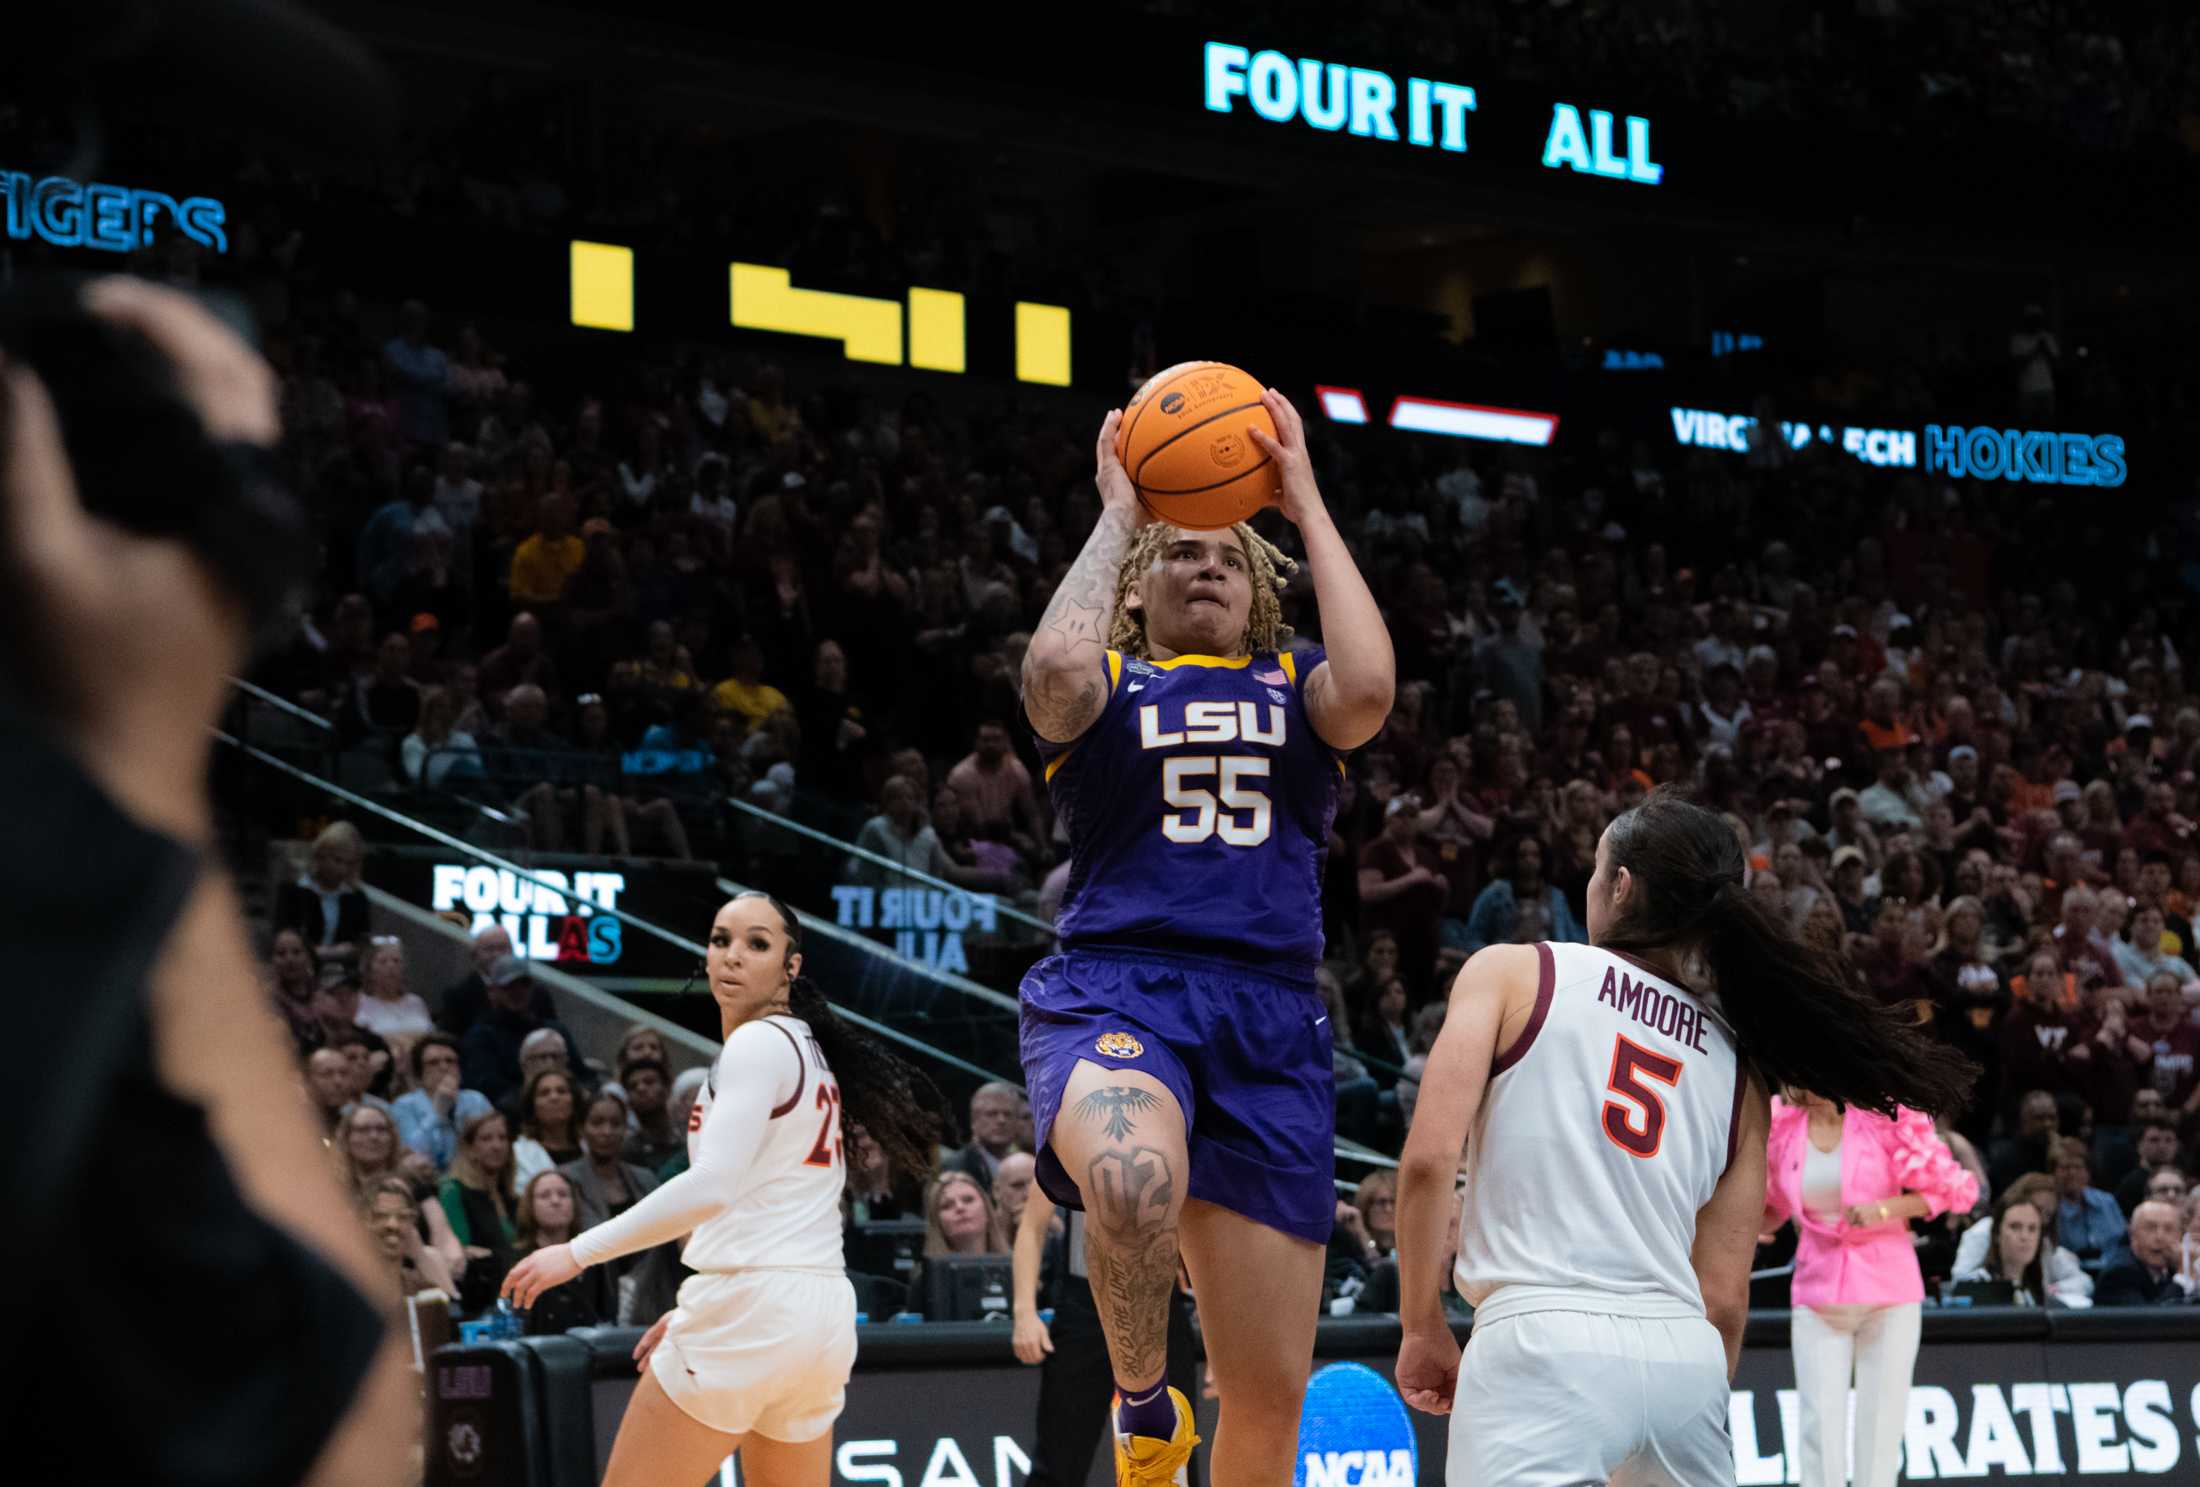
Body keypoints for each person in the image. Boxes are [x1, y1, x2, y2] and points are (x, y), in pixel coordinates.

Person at [1017, 389, 1393, 1485]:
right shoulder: (1110, 685)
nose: (1208, 567)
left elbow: (1371, 686)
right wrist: (1119, 513)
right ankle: (1144, 1410)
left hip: (1270, 1013)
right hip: (1119, 987)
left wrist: (1304, 496)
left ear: (1261, 583)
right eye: (1177, 554)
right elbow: (1047, 672)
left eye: (1230, 554)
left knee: (1270, 1402)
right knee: (1128, 1180)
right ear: (1139, 582)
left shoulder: (1296, 685)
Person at [1393, 789, 1974, 1486]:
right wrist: (1689, 1393)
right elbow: (1725, 1296)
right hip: (1682, 1355)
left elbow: (1428, 1161)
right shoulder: (1739, 1066)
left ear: (1622, 885)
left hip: (1540, 1339)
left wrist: (1422, 1324)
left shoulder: (1515, 972)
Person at [503, 893, 945, 1487]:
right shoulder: (808, 1048)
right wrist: (704, 1303)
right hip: (819, 1317)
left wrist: (576, 1252)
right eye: (720, 940)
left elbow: (713, 1186)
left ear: (792, 966)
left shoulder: (758, 1044)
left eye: (757, 944)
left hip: (755, 1309)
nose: (733, 956)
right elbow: (771, 1199)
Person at [1762, 1088, 1979, 1487]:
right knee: (1817, 1428)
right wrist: (1746, 1226)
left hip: (1889, 1294)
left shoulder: (1885, 1119)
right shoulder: (1783, 1128)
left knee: (1880, 1431)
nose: (1792, 1086)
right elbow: (1773, 1205)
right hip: (1817, 1293)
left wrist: (1883, 1210)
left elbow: (1950, 1191)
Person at [1012, 1189, 1202, 1487]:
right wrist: (1024, 1312)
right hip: (1084, 1304)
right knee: (1059, 1458)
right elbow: (1032, 1226)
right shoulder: (1067, 1140)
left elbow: (1199, 1229)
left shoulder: (1181, 1142)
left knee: (1174, 1458)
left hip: (1159, 1302)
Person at [1949, 1171, 2093, 1302]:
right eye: (2016, 1227)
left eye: (2047, 1214)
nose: (2025, 1236)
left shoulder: (2044, 1243)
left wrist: (2054, 1290)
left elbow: (2083, 1281)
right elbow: (1960, 1284)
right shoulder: (1982, 1232)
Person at [438, 1108, 520, 1315]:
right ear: (470, 1148)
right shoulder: (453, 1190)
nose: (497, 1145)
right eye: (486, 1139)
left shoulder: (511, 1197)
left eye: (502, 1138)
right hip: (477, 1301)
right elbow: (463, 1251)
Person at [513, 1170, 614, 1333]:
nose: (555, 1201)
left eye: (563, 1194)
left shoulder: (592, 1255)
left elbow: (606, 1316)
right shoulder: (517, 1259)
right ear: (530, 1206)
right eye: (544, 1195)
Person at [273, 821, 372, 965]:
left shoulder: (356, 898)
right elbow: (282, 938)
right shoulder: (293, 892)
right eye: (337, 860)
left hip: (343, 975)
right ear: (321, 855)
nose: (343, 869)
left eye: (349, 864)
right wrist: (323, 952)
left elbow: (362, 943)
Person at [393, 1033, 495, 1170]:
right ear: (420, 1074)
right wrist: (436, 1114)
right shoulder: (404, 1105)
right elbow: (408, 1153)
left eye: (450, 1061)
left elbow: (494, 1143)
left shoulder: (476, 1100)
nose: (444, 1067)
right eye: (433, 1063)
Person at [1950, 1191, 2056, 1305]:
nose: (2025, 1236)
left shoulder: (2038, 1292)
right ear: (1996, 1234)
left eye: (2032, 1229)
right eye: (2015, 1227)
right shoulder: (1972, 1288)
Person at [367, 1176, 458, 1301]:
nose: (393, 1224)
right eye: (380, 1215)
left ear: (413, 1223)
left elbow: (447, 1308)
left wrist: (421, 1258)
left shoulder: (420, 1283)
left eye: (403, 1217)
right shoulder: (345, 1283)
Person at [2053, 1136, 2130, 1273]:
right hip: (2071, 1275)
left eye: (2078, 1167)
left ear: (2087, 1172)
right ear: (2053, 1172)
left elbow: (2123, 1242)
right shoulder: (2052, 1206)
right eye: (2065, 1167)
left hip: (2113, 1271)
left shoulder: (2107, 1201)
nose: (2072, 1173)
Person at [2096, 1199, 2187, 1305]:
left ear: (2180, 1236)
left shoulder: (2173, 1267)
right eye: (2150, 1228)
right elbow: (2151, 1319)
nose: (2160, 1237)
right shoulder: (2120, 1273)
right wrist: (2182, 1278)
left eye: (2169, 1229)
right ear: (2132, 1234)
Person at [511, 1069, 584, 1190]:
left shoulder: (590, 1145)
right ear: (532, 1106)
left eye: (562, 1091)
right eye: (544, 1093)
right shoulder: (519, 1154)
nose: (554, 1097)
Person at [354, 935, 434, 1040]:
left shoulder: (416, 1002)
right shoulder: (359, 1003)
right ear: (369, 970)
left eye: (396, 961)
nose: (391, 966)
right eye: (383, 961)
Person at [947, 1080, 1025, 1186]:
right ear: (974, 1121)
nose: (1001, 1120)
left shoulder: (1027, 1165)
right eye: (992, 1114)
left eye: (1008, 1114)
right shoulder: (955, 1167)